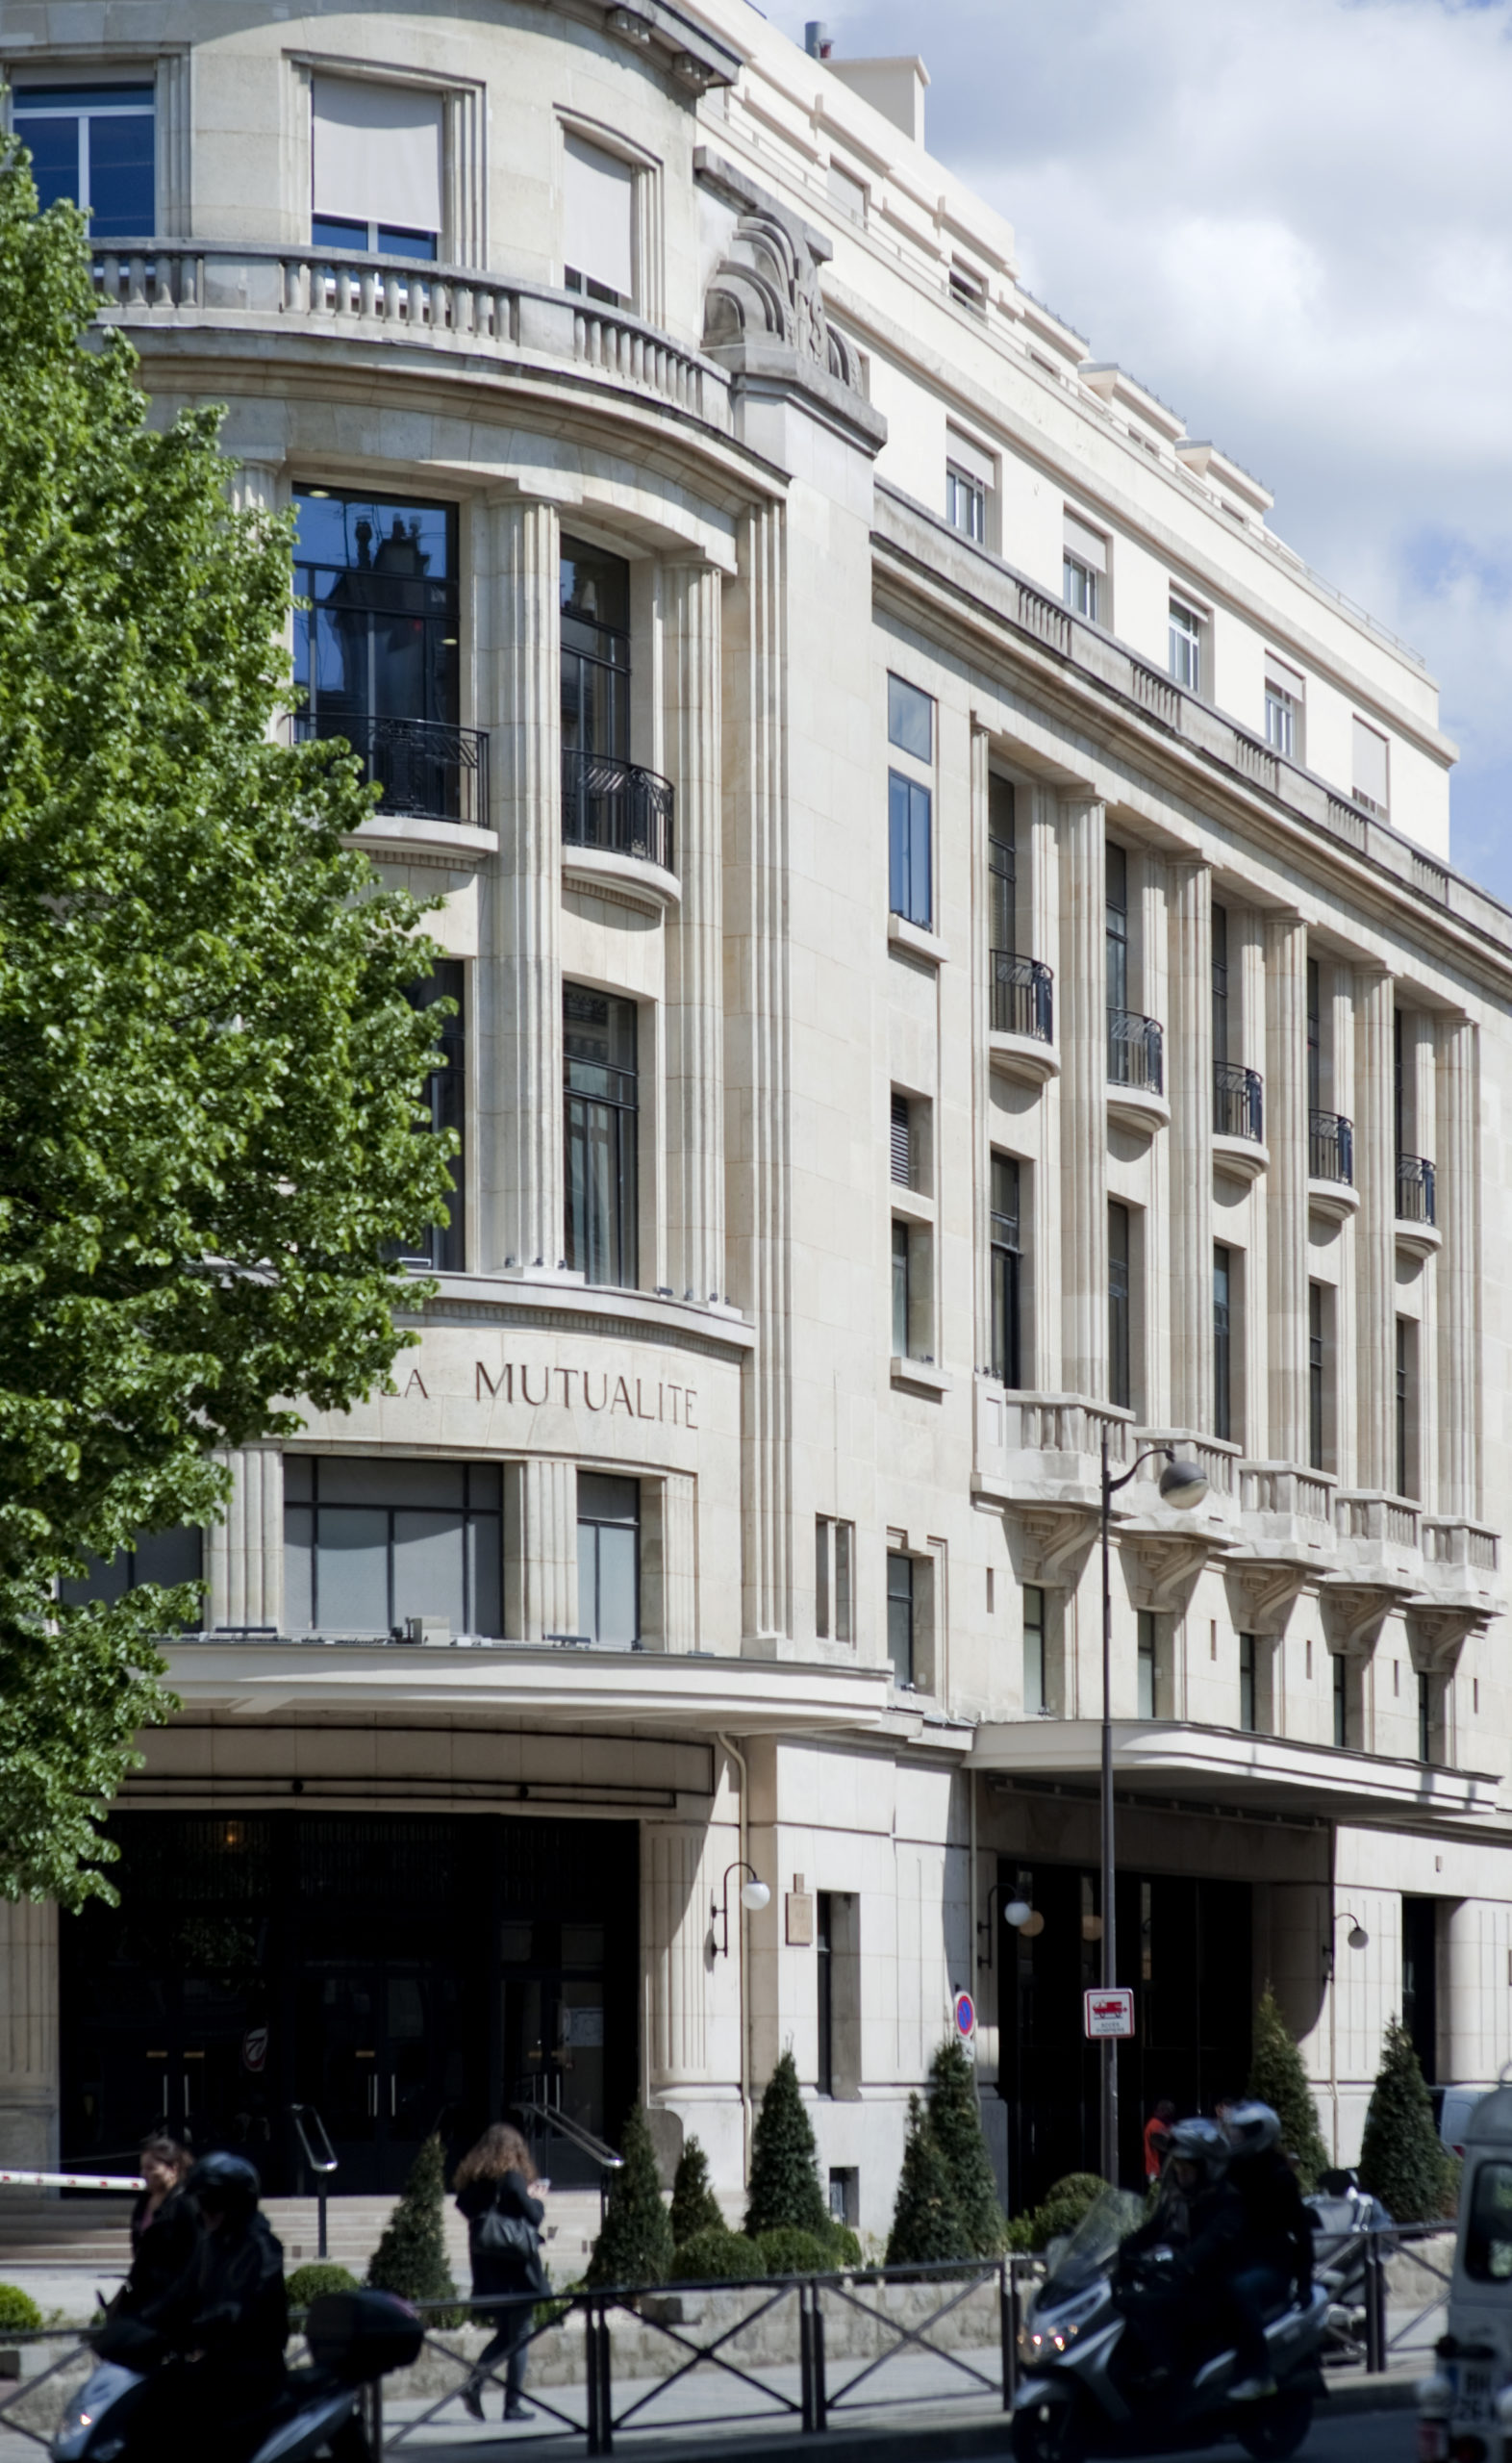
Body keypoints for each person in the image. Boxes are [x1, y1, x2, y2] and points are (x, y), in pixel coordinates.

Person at [120, 2149, 289, 2461]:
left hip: (252, 2364)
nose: (205, 2211)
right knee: (155, 2400)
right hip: (216, 2359)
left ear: (236, 2203)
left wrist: (218, 2318)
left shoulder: (261, 2246)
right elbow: (181, 2292)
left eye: (212, 2203)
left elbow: (253, 2298)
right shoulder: (210, 2244)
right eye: (201, 2202)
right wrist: (140, 2322)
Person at [1117, 2116, 1247, 2387]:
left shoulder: (1227, 2201)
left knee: (1152, 2306)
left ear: (1208, 2166)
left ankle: (1169, 2380)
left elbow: (1210, 2242)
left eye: (1187, 2167)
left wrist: (1179, 2262)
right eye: (1177, 2167)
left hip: (1219, 2288)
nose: (1180, 2173)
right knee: (1130, 2301)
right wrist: (1123, 2250)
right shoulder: (1184, 2196)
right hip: (1191, 2280)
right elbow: (1154, 2229)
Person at [454, 2123, 548, 2425]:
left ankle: (474, 2385)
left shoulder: (474, 2181)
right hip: (516, 2270)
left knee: (507, 2335)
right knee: (519, 2335)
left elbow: (467, 2209)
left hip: (489, 2270)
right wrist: (536, 2198)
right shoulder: (512, 2178)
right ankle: (512, 2404)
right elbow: (533, 2216)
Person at [1222, 2099, 1315, 2402]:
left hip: (1271, 2266)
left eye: (1240, 2132)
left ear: (1258, 2134)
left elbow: (1301, 2231)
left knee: (1241, 2290)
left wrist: (1304, 2282)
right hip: (1238, 2259)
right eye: (1233, 2131)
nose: (1233, 2137)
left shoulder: (1278, 2176)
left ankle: (1259, 2374)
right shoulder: (1230, 2169)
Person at [119, 2136, 197, 2316]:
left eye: (150, 2168)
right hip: (144, 2295)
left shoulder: (186, 2205)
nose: (144, 2174)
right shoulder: (143, 2202)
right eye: (142, 2168)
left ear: (173, 2169)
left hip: (175, 2300)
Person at [1143, 2099, 1176, 2187]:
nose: (1170, 2116)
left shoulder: (1161, 2123)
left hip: (1158, 2171)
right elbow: (1163, 2146)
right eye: (1169, 2112)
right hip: (1157, 2171)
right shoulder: (1155, 2125)